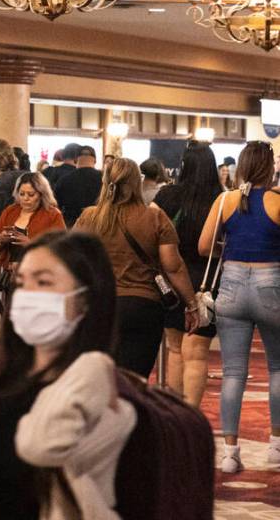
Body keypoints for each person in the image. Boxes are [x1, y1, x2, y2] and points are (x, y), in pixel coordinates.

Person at [0, 232, 136, 520]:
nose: (28, 294)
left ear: (85, 298)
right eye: (22, 283)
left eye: (43, 282)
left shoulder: (99, 383)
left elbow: (41, 447)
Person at [74, 157, 199, 377]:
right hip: (143, 306)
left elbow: (71, 259)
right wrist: (191, 304)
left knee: (99, 379)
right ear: (137, 182)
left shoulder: (89, 217)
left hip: (100, 305)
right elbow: (173, 266)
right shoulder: (154, 217)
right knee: (135, 380)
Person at [198, 140, 280, 474]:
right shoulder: (277, 202)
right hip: (271, 285)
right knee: (277, 368)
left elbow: (204, 246)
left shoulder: (225, 200)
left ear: (242, 166)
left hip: (230, 285)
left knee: (233, 373)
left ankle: (230, 452)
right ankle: (276, 446)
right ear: (271, 166)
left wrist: (231, 255)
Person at [152, 142, 222, 406]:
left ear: (184, 165)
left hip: (171, 278)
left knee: (174, 349)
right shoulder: (221, 197)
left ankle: (174, 414)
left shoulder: (167, 196)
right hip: (207, 279)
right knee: (197, 354)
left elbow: (153, 232)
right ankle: (192, 414)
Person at [0, 172, 66, 271]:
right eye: (21, 194)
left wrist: (31, 244)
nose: (25, 198)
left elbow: (62, 250)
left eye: (31, 194)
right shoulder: (10, 211)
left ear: (42, 195)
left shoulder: (53, 215)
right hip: (8, 273)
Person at [53, 144, 102, 228]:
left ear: (75, 160)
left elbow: (56, 206)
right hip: (99, 226)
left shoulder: (64, 180)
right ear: (95, 161)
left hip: (71, 228)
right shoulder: (104, 179)